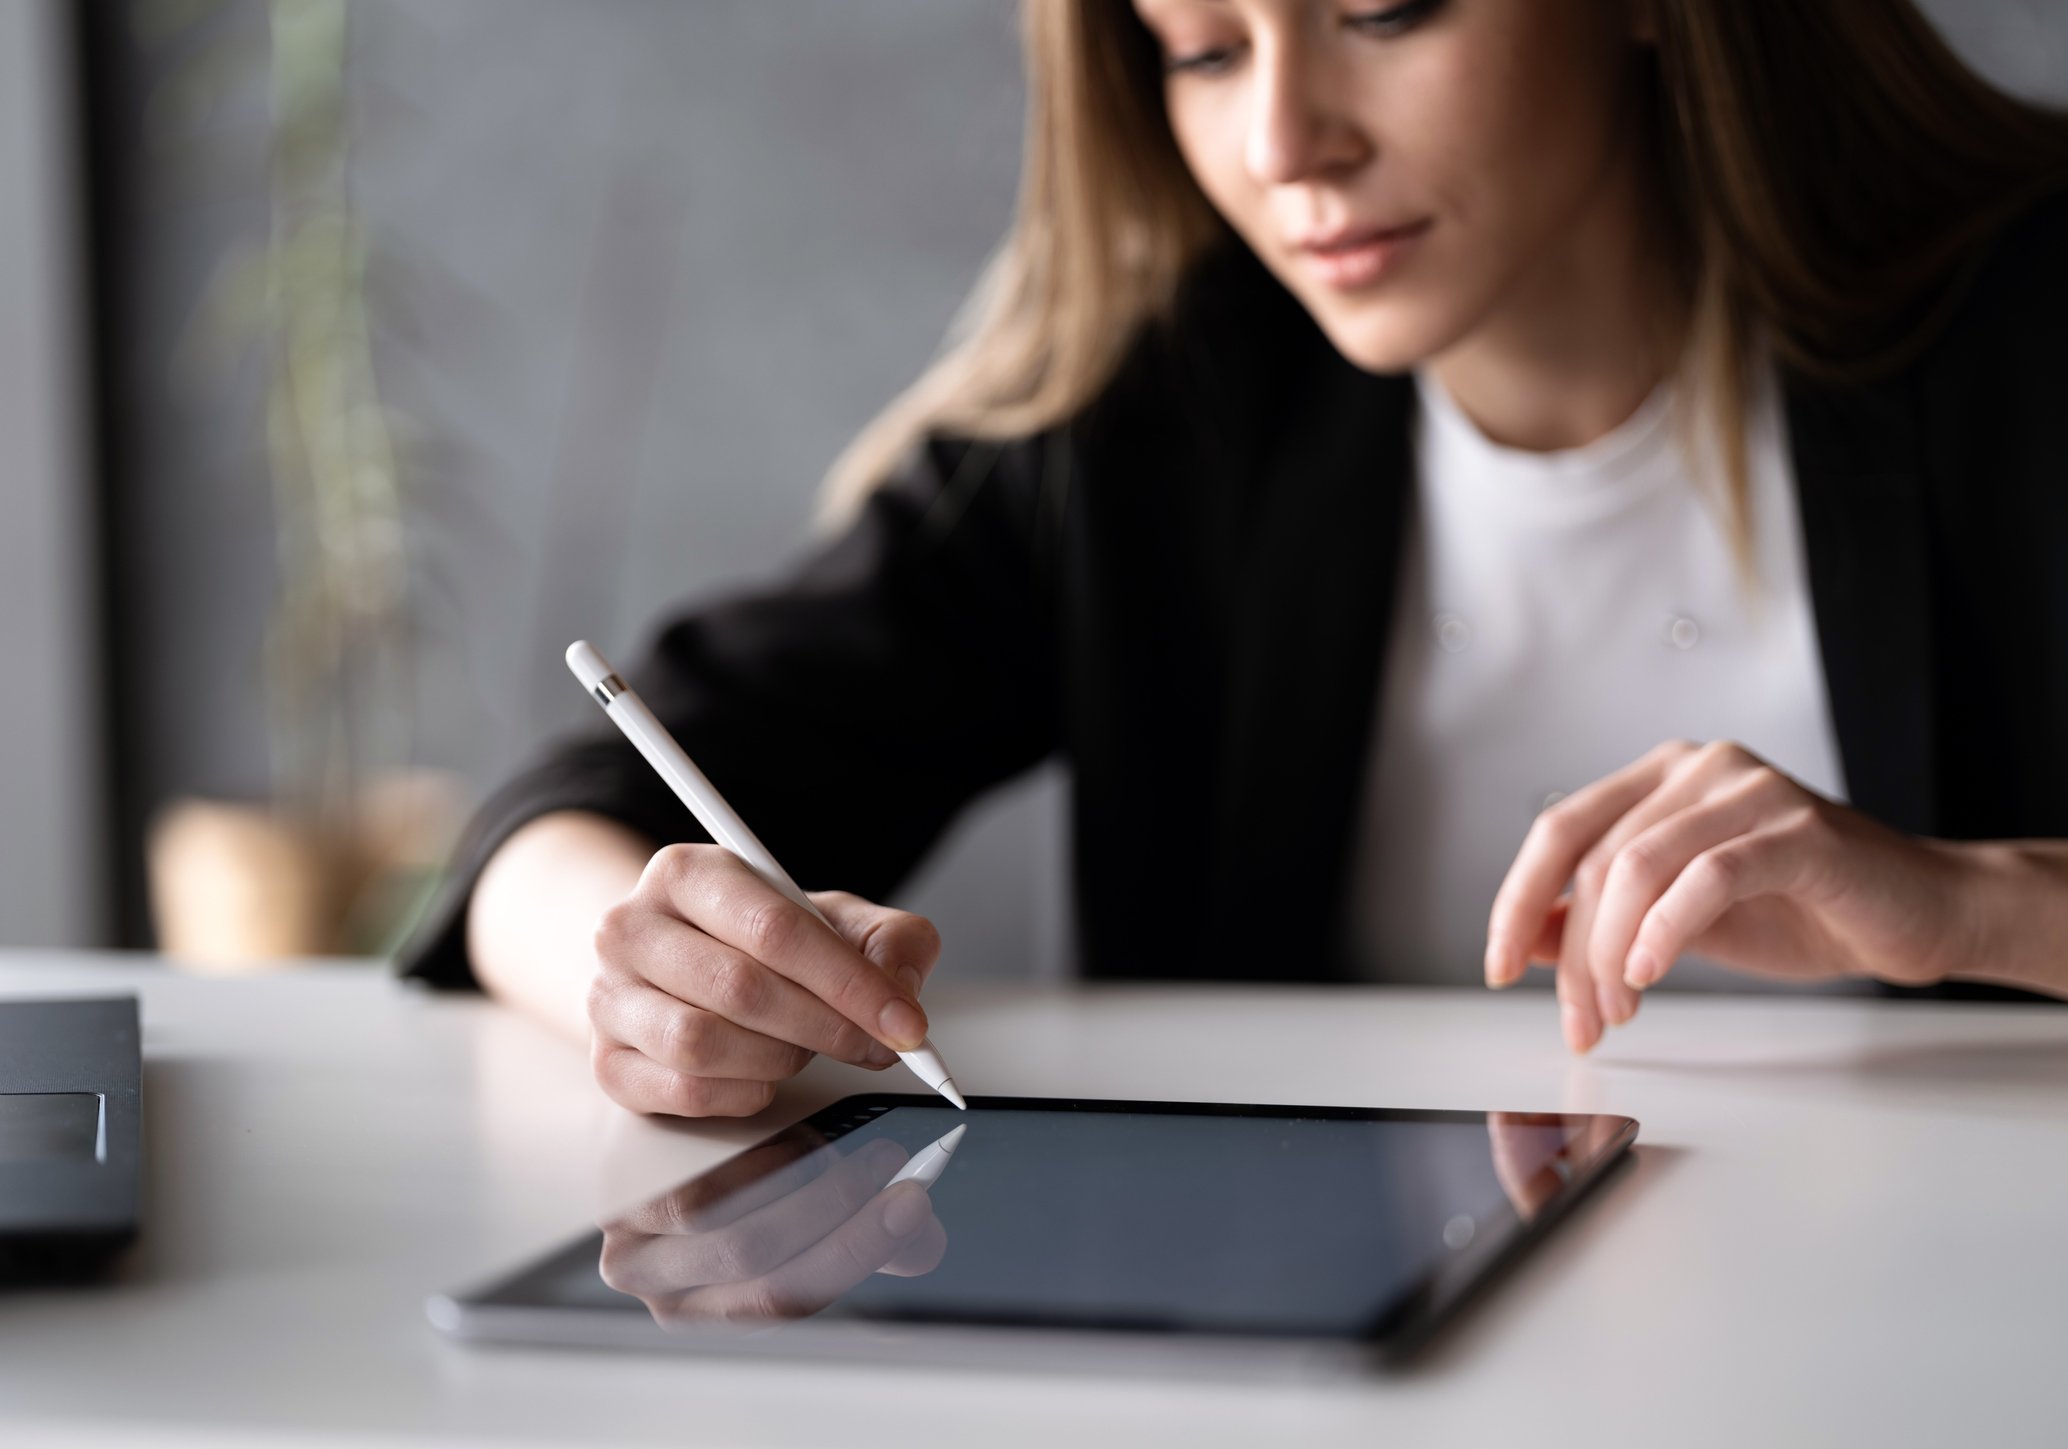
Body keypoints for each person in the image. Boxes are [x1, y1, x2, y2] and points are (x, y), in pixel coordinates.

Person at [399, 0, 2068, 1118]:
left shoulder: (2030, 327)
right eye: (1198, 46)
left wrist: (1974, 909)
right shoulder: (1157, 416)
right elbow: (558, 822)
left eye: (1382, 9)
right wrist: (639, 975)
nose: (1284, 140)